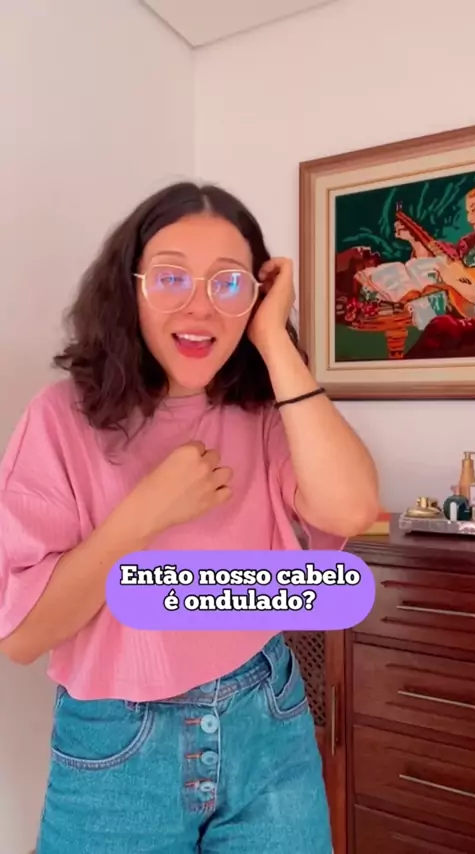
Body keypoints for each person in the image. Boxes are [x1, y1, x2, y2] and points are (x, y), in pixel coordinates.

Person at [0, 182, 379, 853]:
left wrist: (275, 342)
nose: (200, 305)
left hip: (268, 719)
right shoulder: (60, 419)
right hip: (118, 745)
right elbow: (23, 636)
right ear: (130, 287)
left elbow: (352, 508)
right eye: (171, 277)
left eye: (228, 283)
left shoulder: (265, 412)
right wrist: (140, 518)